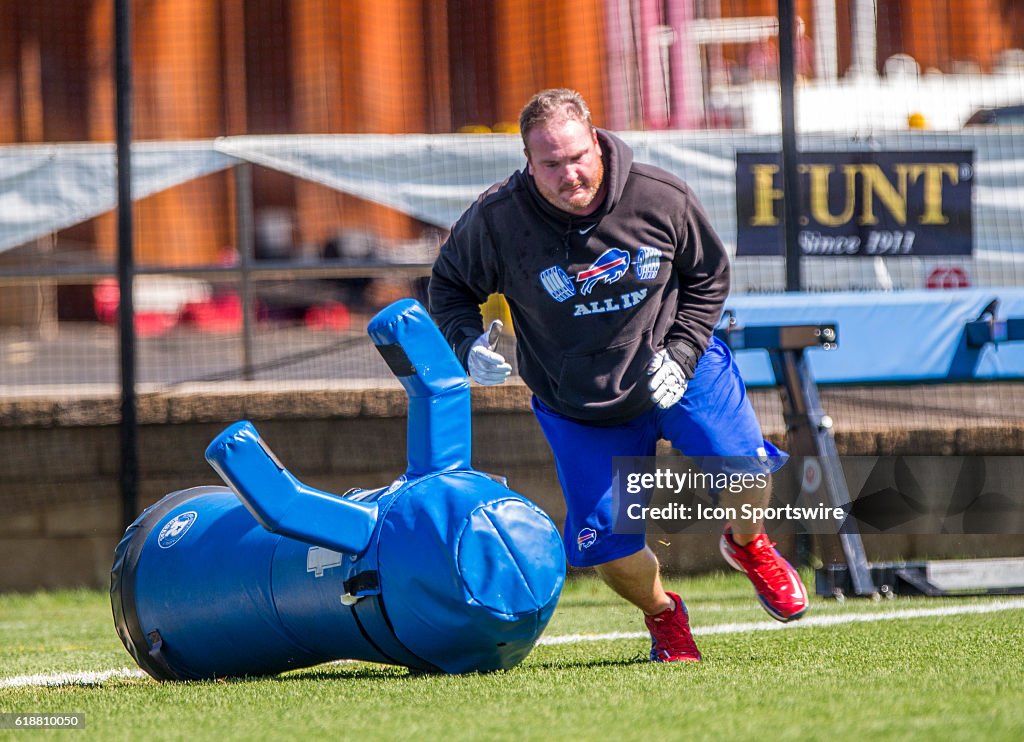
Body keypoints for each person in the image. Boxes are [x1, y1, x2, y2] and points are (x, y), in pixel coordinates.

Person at [429, 88, 808, 663]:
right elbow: (448, 286)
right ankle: (665, 617)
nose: (568, 174)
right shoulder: (498, 220)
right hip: (579, 401)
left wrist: (681, 353)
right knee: (604, 545)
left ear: (596, 142)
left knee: (744, 469)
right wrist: (465, 342)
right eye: (550, 164)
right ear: (528, 163)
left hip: (676, 363)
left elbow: (709, 278)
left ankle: (748, 544)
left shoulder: (660, 196)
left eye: (577, 156)